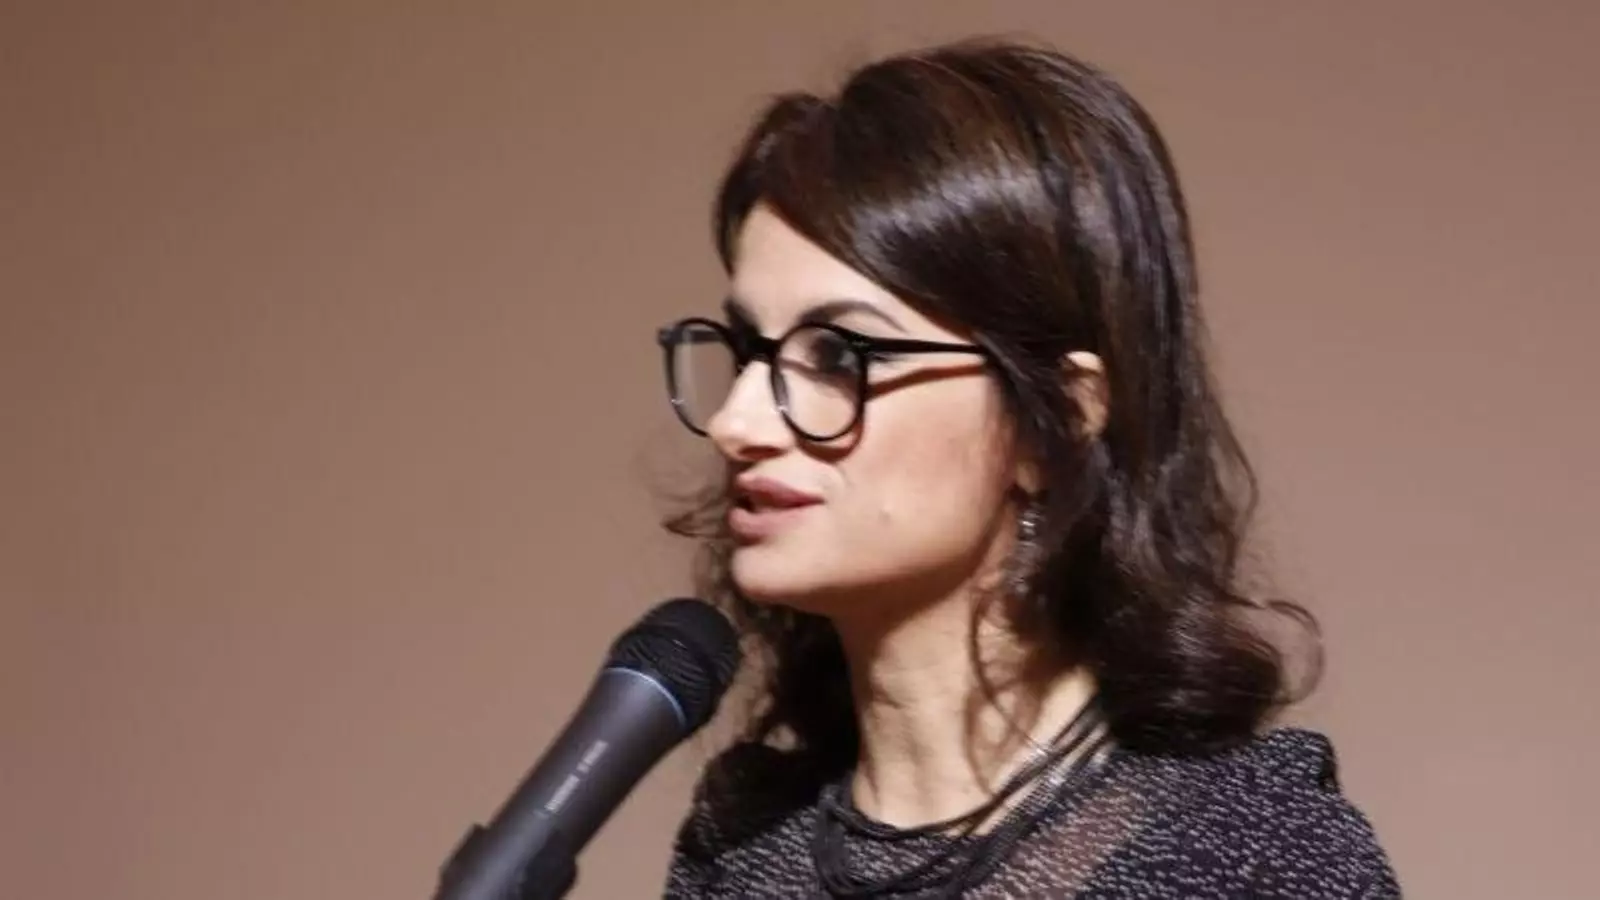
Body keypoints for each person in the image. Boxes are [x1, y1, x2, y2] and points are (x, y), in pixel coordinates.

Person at [651, 36, 1399, 899]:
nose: (737, 423)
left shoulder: (1251, 855)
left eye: (840, 355)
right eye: (750, 350)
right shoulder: (742, 851)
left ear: (1057, 424)